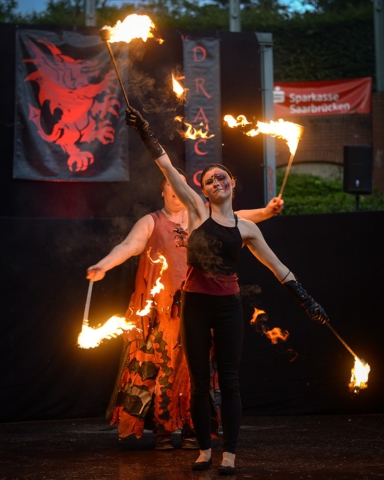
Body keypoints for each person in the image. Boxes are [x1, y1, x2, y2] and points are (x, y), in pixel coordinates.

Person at [125, 105, 329, 475]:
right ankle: (204, 449)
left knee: (230, 382)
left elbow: (278, 268)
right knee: (200, 383)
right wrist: (145, 132)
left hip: (228, 307)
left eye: (222, 178)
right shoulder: (197, 212)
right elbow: (167, 167)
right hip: (195, 306)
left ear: (232, 184)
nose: (216, 182)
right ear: (202, 191)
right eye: (209, 181)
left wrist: (307, 300)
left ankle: (230, 453)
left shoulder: (247, 229)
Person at [87, 170, 283, 451]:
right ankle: (165, 432)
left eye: (179, 186)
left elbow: (238, 219)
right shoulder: (150, 222)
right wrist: (104, 265)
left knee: (197, 372)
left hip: (199, 306)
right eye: (170, 186)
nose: (176, 192)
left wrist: (267, 210)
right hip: (162, 313)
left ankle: (194, 430)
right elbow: (129, 246)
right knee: (164, 370)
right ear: (163, 191)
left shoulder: (204, 217)